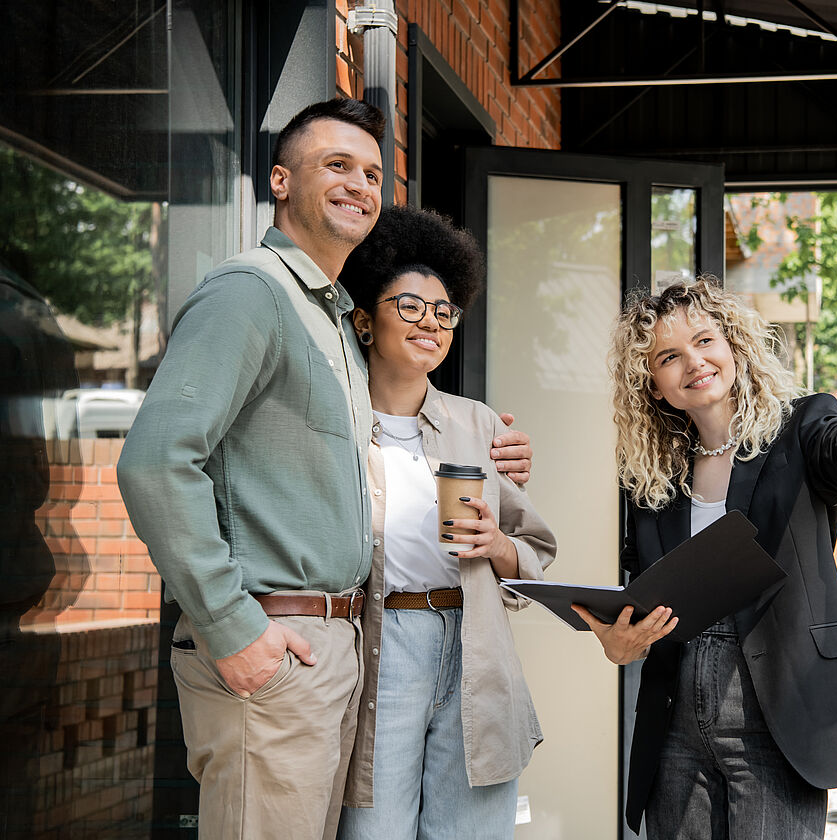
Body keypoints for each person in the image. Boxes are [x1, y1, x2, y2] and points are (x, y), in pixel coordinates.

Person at [116, 99, 532, 840]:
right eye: (335, 165)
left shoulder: (332, 319)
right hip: (277, 641)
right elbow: (156, 462)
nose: (359, 184)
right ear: (279, 180)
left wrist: (484, 441)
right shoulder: (253, 293)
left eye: (372, 172)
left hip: (336, 653)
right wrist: (231, 627)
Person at [574, 277, 837, 839]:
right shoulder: (652, 477)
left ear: (734, 347)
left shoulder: (801, 428)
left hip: (777, 710)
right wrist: (617, 641)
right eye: (669, 356)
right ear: (656, 387)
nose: (694, 361)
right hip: (674, 725)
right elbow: (638, 591)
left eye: (705, 340)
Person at [335, 204, 555, 839]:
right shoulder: (337, 425)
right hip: (383, 644)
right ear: (364, 320)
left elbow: (536, 551)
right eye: (408, 307)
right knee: (374, 830)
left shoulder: (479, 424)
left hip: (474, 645)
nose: (430, 323)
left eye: (443, 312)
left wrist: (497, 545)